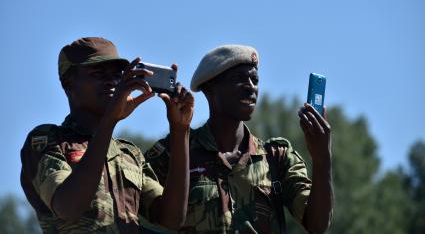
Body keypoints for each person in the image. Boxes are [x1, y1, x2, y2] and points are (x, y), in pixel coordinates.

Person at [145, 45, 333, 234]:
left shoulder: (276, 157)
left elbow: (317, 225)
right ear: (209, 89)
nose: (251, 87)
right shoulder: (174, 151)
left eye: (254, 80)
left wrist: (322, 158)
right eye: (238, 79)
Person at [20, 37, 194, 233]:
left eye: (117, 75)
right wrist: (109, 120)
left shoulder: (128, 153)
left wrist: (180, 130)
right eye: (98, 73)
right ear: (68, 83)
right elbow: (68, 207)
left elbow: (170, 220)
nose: (111, 81)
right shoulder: (48, 140)